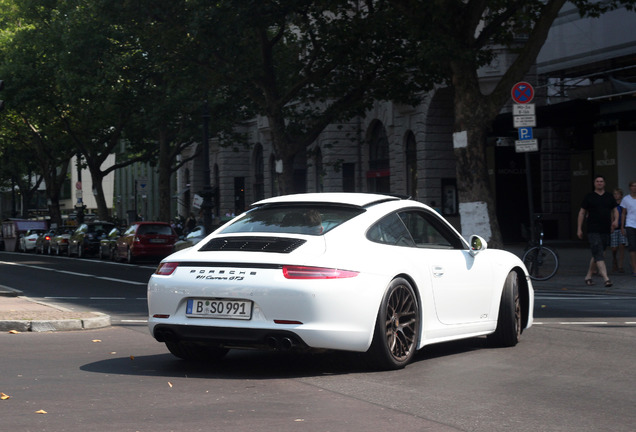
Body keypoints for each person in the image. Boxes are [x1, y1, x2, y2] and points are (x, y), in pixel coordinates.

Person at [577, 175, 618, 287]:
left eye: (601, 181)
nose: (599, 183)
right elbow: (582, 212)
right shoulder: (589, 197)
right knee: (598, 252)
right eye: (597, 181)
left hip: (605, 229)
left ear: (604, 183)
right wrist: (579, 228)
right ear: (594, 183)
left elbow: (615, 210)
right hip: (593, 229)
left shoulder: (609, 196)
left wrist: (616, 221)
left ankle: (588, 276)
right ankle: (606, 279)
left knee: (598, 253)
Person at [620, 180, 636, 277]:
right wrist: (622, 227)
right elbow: (623, 213)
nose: (634, 188)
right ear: (630, 187)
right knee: (632, 247)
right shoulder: (626, 199)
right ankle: (635, 268)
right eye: (633, 186)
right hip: (630, 224)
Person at [610, 188, 628, 272]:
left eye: (617, 194)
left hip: (622, 226)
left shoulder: (623, 205)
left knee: (622, 246)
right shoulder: (612, 204)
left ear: (621, 195)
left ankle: (620, 265)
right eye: (614, 194)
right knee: (614, 248)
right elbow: (611, 215)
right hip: (614, 226)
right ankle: (614, 259)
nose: (616, 195)